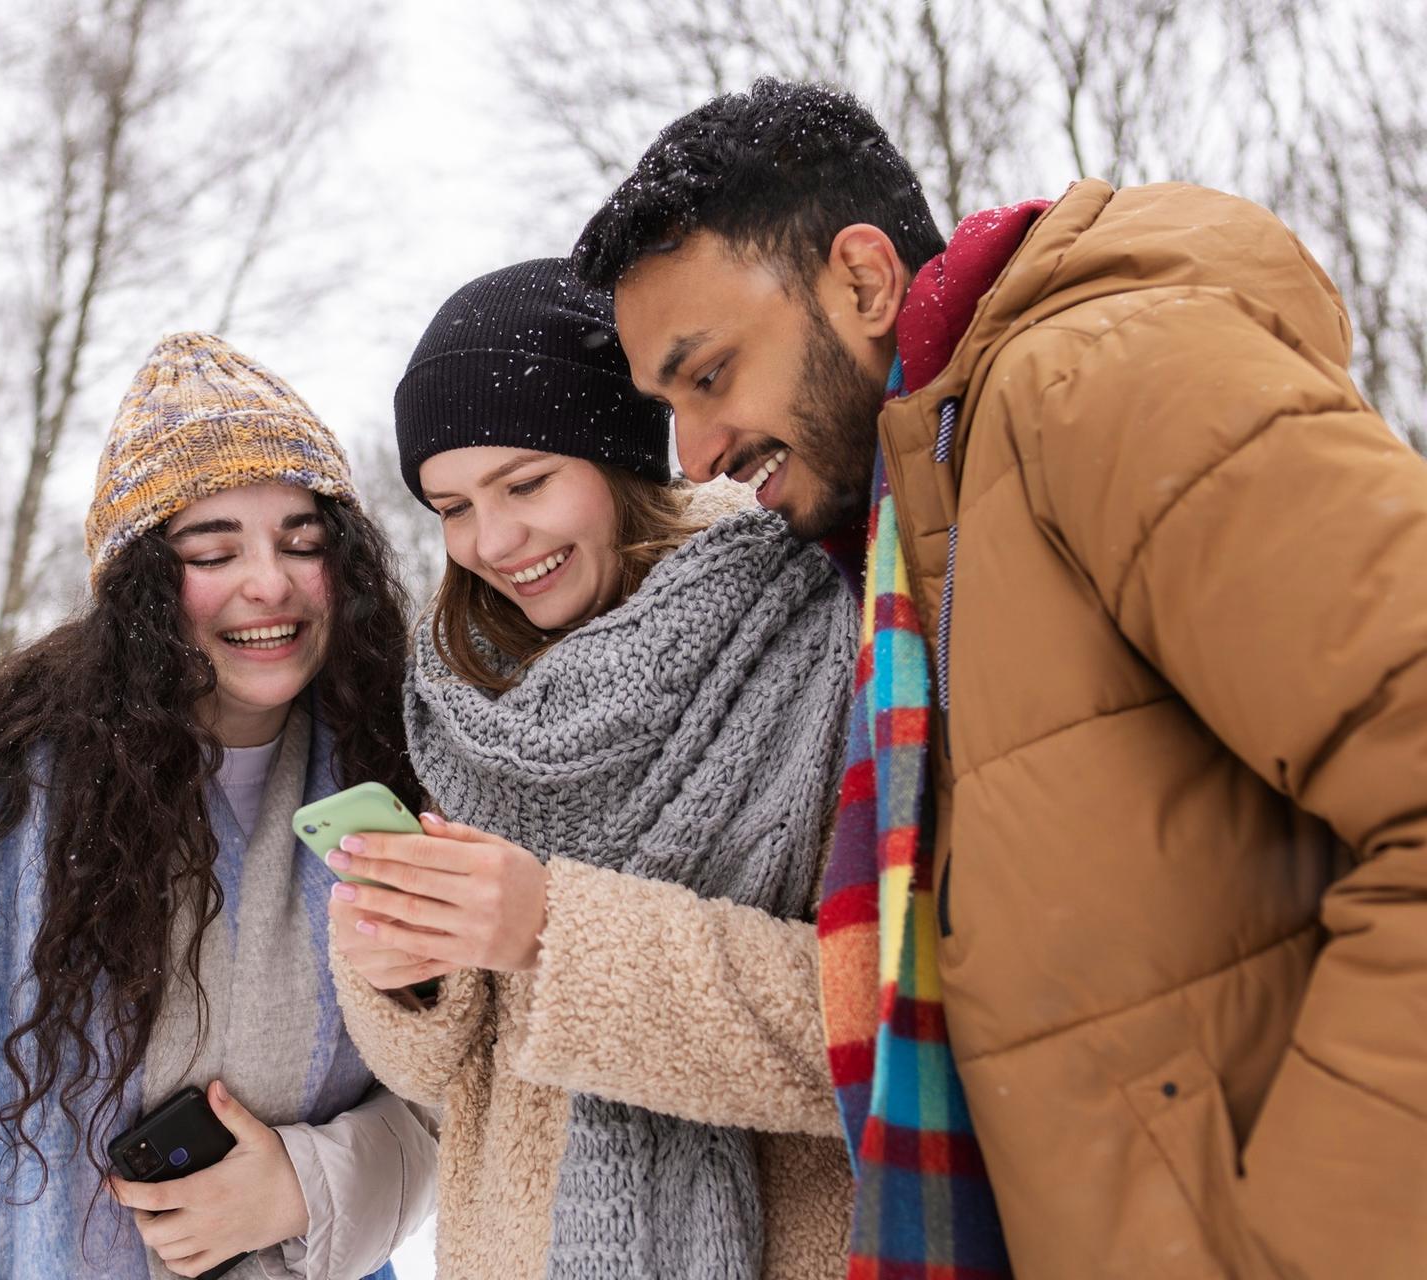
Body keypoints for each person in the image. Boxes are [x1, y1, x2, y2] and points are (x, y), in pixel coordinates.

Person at [572, 76, 1427, 1280]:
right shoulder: (923, 524)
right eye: (668, 406)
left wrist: (1309, 1246)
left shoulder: (1101, 384)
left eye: (706, 375)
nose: (695, 452)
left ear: (863, 281)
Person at [0, 332, 438, 1280]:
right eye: (214, 547)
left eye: (303, 541)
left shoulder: (398, 787)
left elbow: (448, 1096)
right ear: (143, 588)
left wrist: (307, 1185)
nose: (270, 581)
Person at [327, 258, 859, 1279]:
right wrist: (408, 976)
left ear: (620, 456)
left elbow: (865, 1031)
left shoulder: (813, 641)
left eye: (527, 483)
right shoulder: (466, 699)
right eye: (451, 505)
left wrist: (554, 932)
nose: (494, 540)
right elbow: (452, 1084)